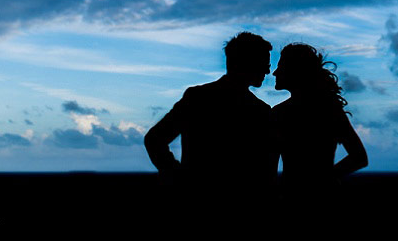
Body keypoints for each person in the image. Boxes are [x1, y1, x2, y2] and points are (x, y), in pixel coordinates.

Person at [144, 31, 276, 231]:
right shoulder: (259, 110)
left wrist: (177, 177)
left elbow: (155, 139)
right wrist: (177, 176)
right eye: (264, 63)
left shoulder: (198, 97)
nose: (268, 70)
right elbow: (154, 139)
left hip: (214, 207)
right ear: (245, 63)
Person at [271, 42, 368, 203]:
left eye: (281, 67)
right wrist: (326, 179)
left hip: (293, 198)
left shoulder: (279, 113)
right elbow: (359, 157)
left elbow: (270, 166)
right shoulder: (330, 109)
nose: (275, 73)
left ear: (295, 71)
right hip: (324, 197)